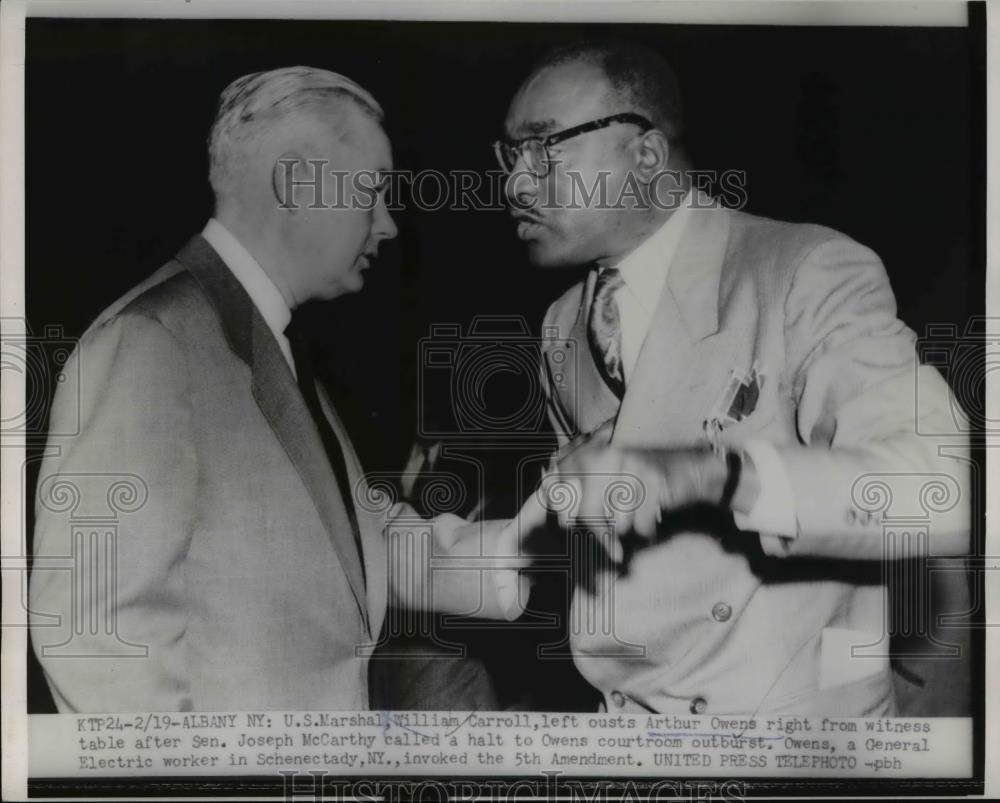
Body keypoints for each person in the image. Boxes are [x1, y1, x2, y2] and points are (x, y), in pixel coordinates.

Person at [496, 41, 971, 716]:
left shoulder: (805, 269)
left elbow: (939, 488)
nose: (515, 182)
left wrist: (708, 473)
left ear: (648, 155)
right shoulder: (561, 323)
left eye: (544, 148)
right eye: (509, 156)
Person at [30, 66, 524, 712]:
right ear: (295, 184)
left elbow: (358, 542)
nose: (388, 224)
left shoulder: (260, 341)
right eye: (372, 191)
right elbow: (95, 636)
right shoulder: (153, 341)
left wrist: (546, 543)